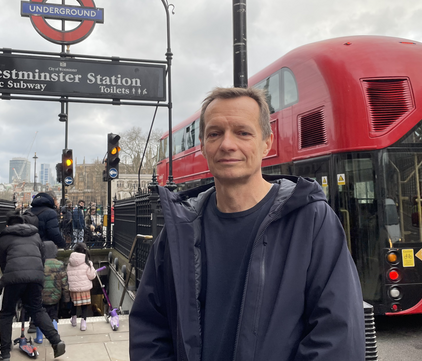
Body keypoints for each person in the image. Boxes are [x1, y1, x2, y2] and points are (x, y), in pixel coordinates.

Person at [129, 87, 365, 360]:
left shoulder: (311, 221)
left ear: (267, 143)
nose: (227, 144)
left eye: (243, 132)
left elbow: (337, 335)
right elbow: (150, 329)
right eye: (215, 133)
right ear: (203, 146)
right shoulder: (179, 230)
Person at [0, 210, 65, 360]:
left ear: (7, 224)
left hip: (14, 277)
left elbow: (2, 263)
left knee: (7, 313)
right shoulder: (35, 235)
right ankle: (56, 341)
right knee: (37, 309)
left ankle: (4, 352)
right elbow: (42, 256)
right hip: (36, 276)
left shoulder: (4, 237)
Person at [35, 241, 71, 344]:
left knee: (39, 316)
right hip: (55, 297)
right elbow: (64, 284)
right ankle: (55, 337)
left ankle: (39, 338)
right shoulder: (60, 265)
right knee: (54, 316)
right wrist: (66, 299)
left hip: (41, 297)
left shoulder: (39, 264)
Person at [66, 242, 97, 331]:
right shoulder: (87, 262)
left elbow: (68, 274)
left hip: (73, 288)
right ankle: (83, 323)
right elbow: (91, 276)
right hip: (85, 288)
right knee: (84, 305)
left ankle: (74, 320)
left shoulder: (70, 262)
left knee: (73, 304)